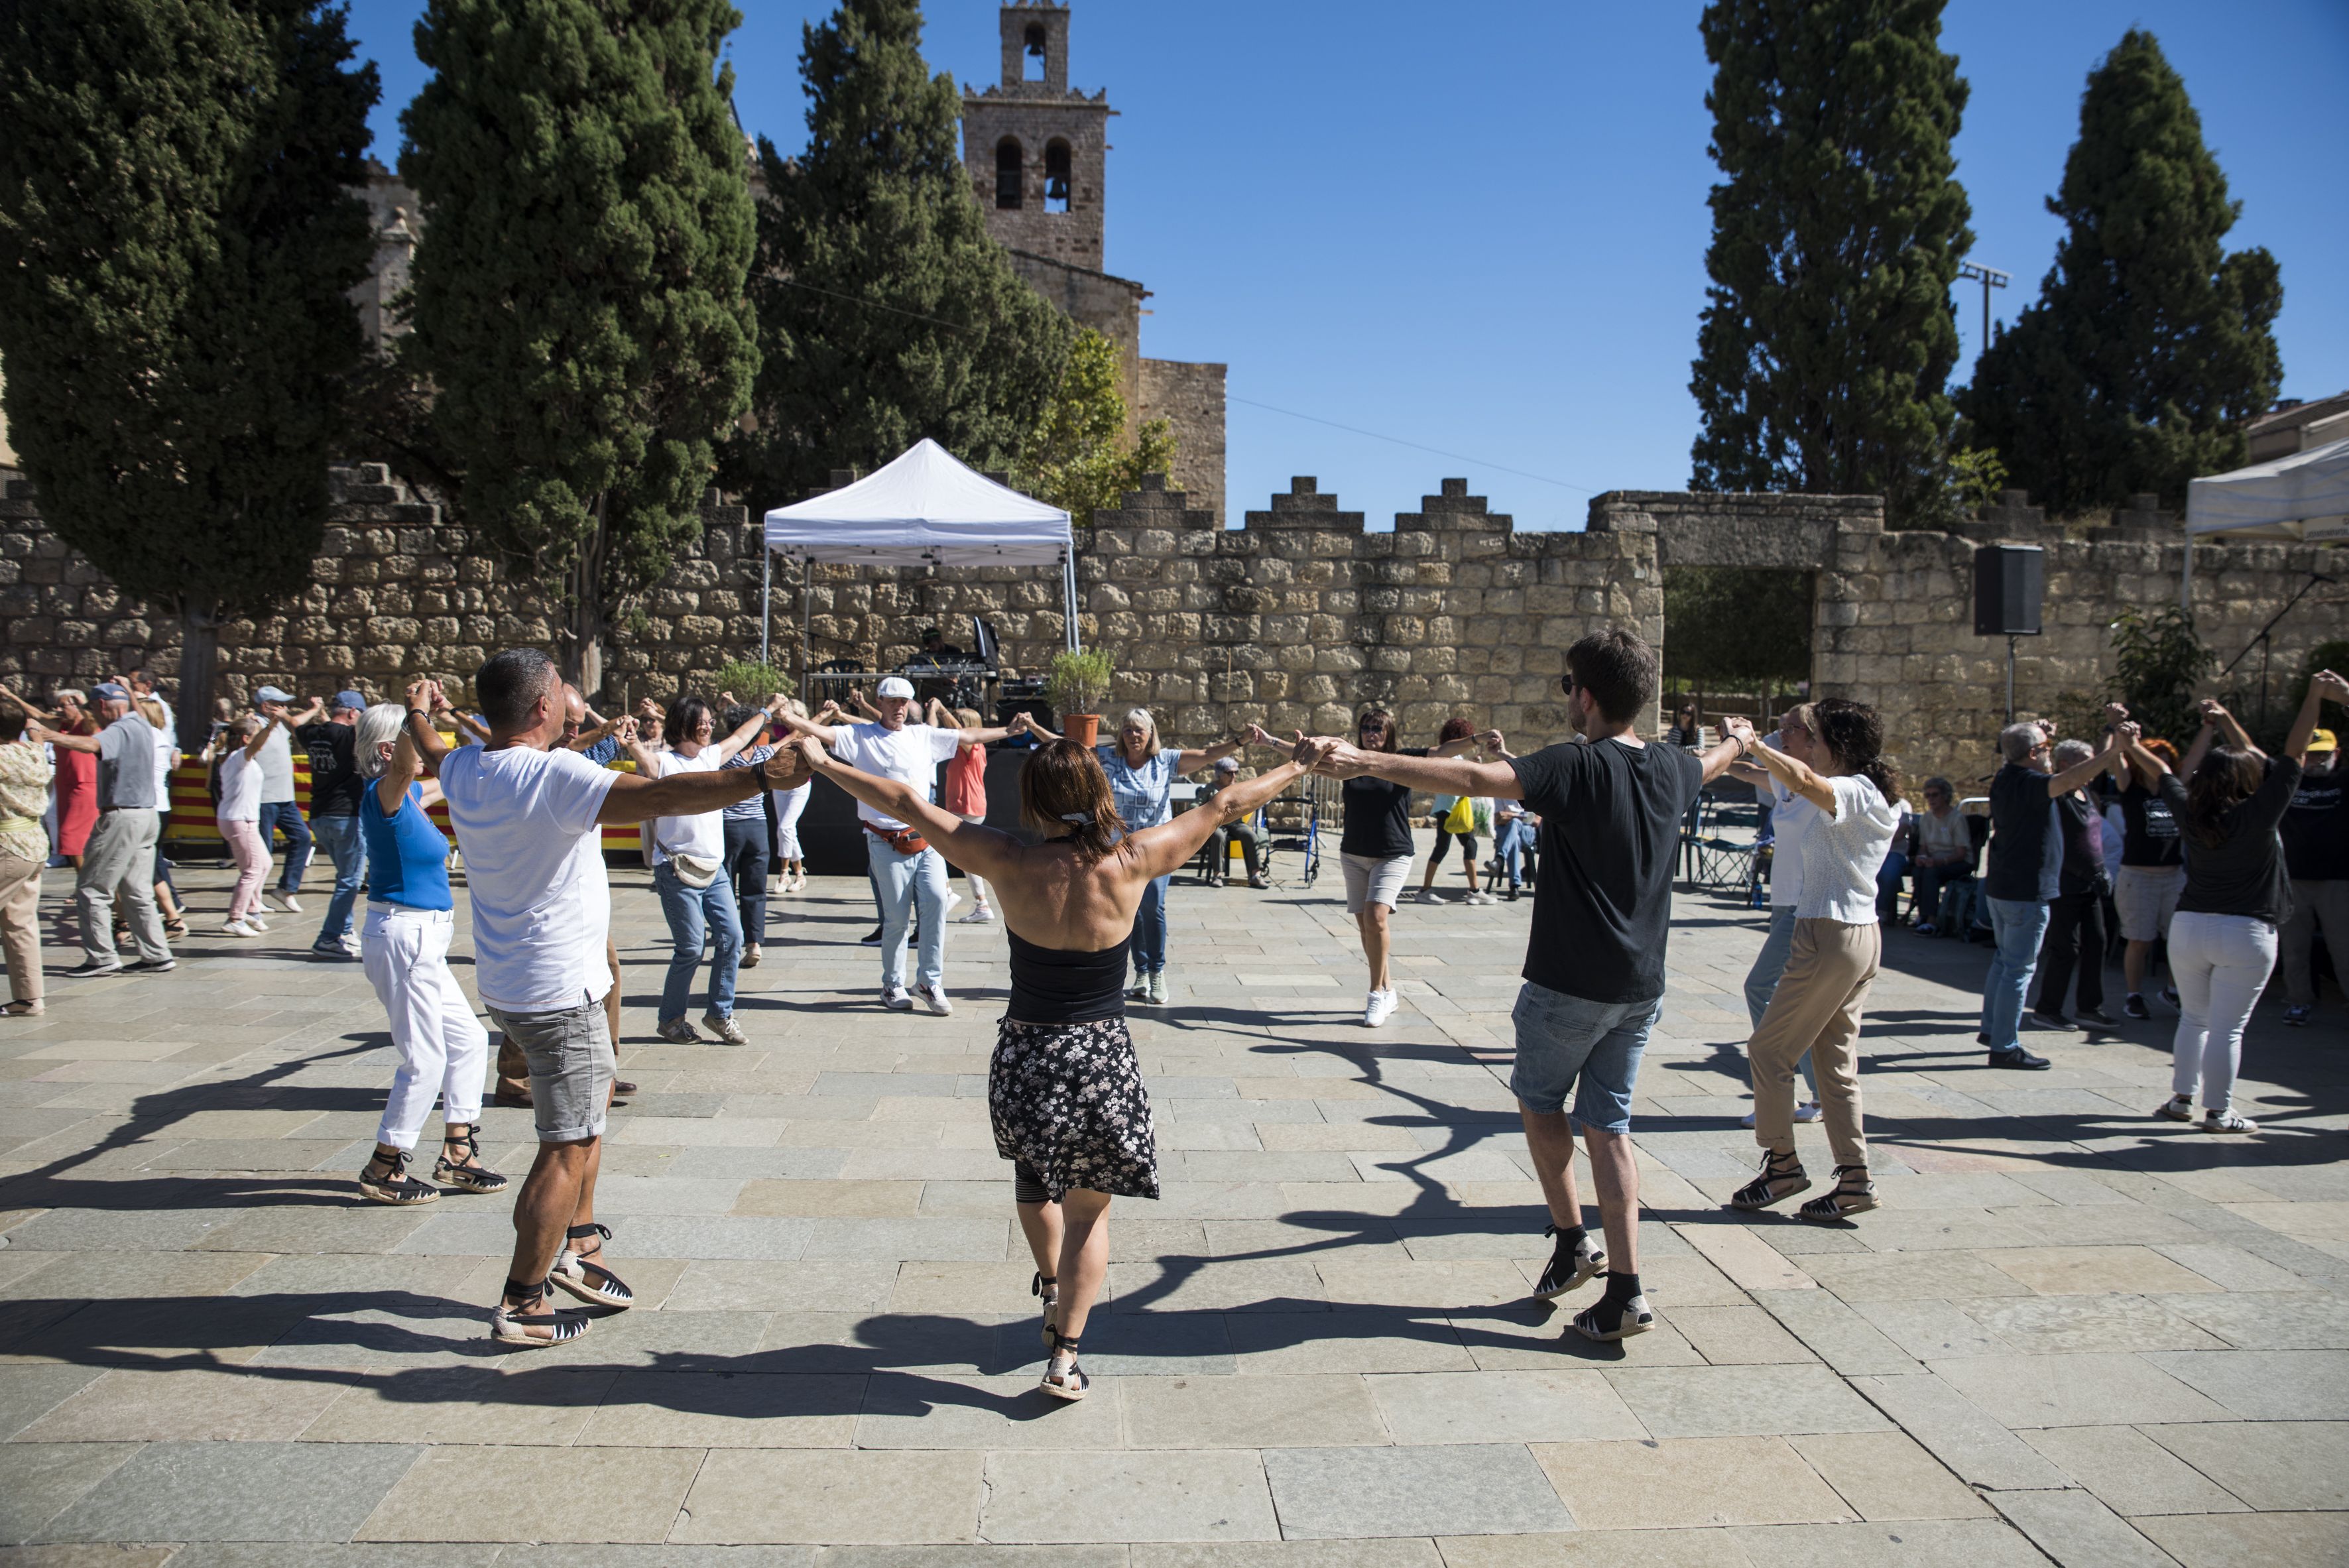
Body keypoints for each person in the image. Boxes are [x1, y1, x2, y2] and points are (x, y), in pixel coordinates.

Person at [788, 728, 1325, 1398]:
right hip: (1099, 1055)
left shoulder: (1003, 858)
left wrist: (822, 760)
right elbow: (1225, 805)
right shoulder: (1132, 860)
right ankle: (1064, 1356)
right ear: (1098, 792)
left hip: (1027, 1050)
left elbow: (903, 800)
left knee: (1035, 1178)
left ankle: (1049, 1284)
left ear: (1034, 800)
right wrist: (1296, 767)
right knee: (1089, 1212)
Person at [1311, 629, 1748, 1342]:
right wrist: (1740, 739)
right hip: (1641, 988)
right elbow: (1716, 761)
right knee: (1610, 1126)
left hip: (1567, 985)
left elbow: (1476, 782)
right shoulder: (1673, 766)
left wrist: (1361, 757)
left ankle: (1573, 1238)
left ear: (1588, 695)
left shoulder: (1576, 766)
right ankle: (1626, 1291)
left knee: (1541, 1102)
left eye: (1567, 684)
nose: (1566, 697)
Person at [414, 652, 810, 1345]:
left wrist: (420, 709)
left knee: (586, 1122)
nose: (575, 704)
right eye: (565, 695)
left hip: (514, 985)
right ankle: (523, 1301)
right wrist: (759, 775)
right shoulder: (555, 775)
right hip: (559, 994)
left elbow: (430, 744)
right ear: (543, 708)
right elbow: (659, 797)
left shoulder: (464, 768)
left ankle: (583, 1245)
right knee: (564, 1147)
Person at [1722, 700, 1903, 1223]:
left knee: (1768, 1050)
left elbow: (1807, 783)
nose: (1798, 743)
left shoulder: (1854, 789)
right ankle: (1853, 1179)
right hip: (1850, 932)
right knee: (1832, 1065)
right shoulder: (1863, 789)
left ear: (1836, 745)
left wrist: (1755, 743)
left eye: (1808, 735)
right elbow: (1794, 779)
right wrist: (1755, 752)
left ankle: (1782, 1164)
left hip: (1830, 933)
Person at [2138, 678, 2344, 1130]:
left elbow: (2160, 772)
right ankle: (2218, 1110)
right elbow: (2293, 751)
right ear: (2247, 779)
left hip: (2189, 926)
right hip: (2245, 930)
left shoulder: (2189, 808)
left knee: (2193, 1018)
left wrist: (2125, 741)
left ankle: (2180, 1098)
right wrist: (2314, 697)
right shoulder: (2259, 811)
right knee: (2227, 1028)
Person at [777, 677, 1022, 1015]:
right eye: (893, 701)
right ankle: (892, 984)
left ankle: (929, 982)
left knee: (937, 902)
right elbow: (826, 735)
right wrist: (789, 718)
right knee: (895, 918)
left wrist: (1008, 732)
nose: (899, 707)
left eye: (905, 701)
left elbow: (968, 736)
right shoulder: (860, 736)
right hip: (885, 840)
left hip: (928, 839)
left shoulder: (922, 735)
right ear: (880, 702)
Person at [350, 694, 507, 1205]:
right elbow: (403, 763)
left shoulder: (413, 793)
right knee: (425, 1058)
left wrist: (435, 716)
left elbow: (455, 770)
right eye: (410, 738)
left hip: (423, 940)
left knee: (467, 1041)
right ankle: (385, 1164)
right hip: (402, 935)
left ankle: (458, 1150)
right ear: (387, 747)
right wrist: (416, 711)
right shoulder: (384, 794)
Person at [1025, 706, 1252, 1006]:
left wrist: (1240, 741)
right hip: (1116, 854)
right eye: (1128, 729)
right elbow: (1066, 750)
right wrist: (1033, 727)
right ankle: (1141, 972)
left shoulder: (1166, 761)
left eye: (1139, 730)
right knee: (1128, 913)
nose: (1133, 735)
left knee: (1152, 909)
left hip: (1157, 852)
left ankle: (1157, 970)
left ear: (1151, 734)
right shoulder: (1108, 759)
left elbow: (1209, 754)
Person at [627, 694, 784, 1045]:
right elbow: (643, 757)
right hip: (675, 868)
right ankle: (670, 1020)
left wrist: (767, 712)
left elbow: (742, 737)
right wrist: (631, 738)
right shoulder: (664, 764)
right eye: (705, 722)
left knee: (733, 938)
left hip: (715, 870)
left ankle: (719, 1014)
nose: (711, 727)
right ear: (684, 724)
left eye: (712, 722)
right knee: (691, 948)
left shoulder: (712, 756)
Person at [1980, 715, 2121, 1071]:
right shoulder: (2030, 782)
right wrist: (2114, 751)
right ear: (2033, 753)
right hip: (2026, 890)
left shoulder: (2006, 777)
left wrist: (2042, 738)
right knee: (2018, 968)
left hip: (2002, 886)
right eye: (2045, 748)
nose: (2049, 753)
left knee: (2004, 961)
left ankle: (1992, 1030)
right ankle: (2004, 1046)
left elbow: (2027, 755)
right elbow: (2072, 777)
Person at [1334, 708, 1482, 1028]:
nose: (1371, 734)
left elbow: (1442, 752)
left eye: (1378, 728)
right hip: (1354, 854)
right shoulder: (1349, 761)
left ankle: (1375, 993)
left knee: (1376, 917)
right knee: (1366, 928)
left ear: (1389, 733)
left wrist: (1475, 740)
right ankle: (1388, 988)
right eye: (1366, 728)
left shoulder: (1402, 760)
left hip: (1393, 853)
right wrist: (1271, 741)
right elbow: (1309, 756)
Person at [1724, 704, 1823, 1125]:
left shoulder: (1821, 782)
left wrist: (1747, 744)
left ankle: (1779, 1091)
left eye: (1791, 729)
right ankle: (1818, 1096)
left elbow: (1787, 772)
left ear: (1815, 737)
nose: (1781, 734)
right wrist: (1718, 757)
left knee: (1761, 988)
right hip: (1784, 899)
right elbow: (1753, 773)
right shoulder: (1785, 780)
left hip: (1807, 903)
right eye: (1781, 727)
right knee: (1799, 1003)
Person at [33, 683, 173, 978]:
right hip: (147, 816)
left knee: (92, 890)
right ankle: (156, 955)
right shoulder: (141, 723)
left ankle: (102, 958)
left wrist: (49, 736)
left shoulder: (120, 728)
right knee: (137, 891)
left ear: (101, 705)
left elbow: (92, 745)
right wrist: (127, 690)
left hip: (122, 816)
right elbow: (130, 706)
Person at [2030, 737, 2117, 1030]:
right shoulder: (2060, 792)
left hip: (2090, 883)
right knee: (2065, 948)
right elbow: (2045, 778)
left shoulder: (2086, 793)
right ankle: (2047, 1008)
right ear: (2066, 765)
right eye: (2086, 760)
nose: (2093, 766)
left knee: (2097, 943)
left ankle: (2090, 1007)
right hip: (2065, 882)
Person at [294, 690, 372, 960]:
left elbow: (297, 725)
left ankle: (345, 930)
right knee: (351, 881)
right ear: (352, 713)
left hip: (319, 815)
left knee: (345, 879)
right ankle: (328, 938)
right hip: (346, 815)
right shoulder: (352, 736)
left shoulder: (312, 734)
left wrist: (317, 712)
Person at [2280, 725, 2347, 1026]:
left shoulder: (2344, 781)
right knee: (2294, 947)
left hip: (2337, 880)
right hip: (2294, 879)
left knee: (2343, 947)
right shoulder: (2287, 782)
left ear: (2337, 754)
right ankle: (2298, 1001)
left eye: (2324, 754)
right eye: (2313, 755)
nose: (2318, 760)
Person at [121, 670, 187, 937]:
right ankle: (167, 915)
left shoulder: (150, 737)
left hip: (149, 808)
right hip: (157, 807)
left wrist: (127, 692)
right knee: (147, 862)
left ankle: (169, 916)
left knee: (142, 864)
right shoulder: (159, 739)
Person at [715, 703, 780, 969]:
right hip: (757, 828)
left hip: (728, 826)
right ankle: (754, 943)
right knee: (755, 889)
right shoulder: (764, 754)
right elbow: (790, 738)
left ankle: (727, 942)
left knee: (725, 888)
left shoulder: (722, 756)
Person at [247, 686, 320, 914]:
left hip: (284, 799)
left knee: (302, 839)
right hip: (262, 800)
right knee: (262, 852)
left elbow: (296, 720)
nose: (285, 708)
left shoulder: (281, 726)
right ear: (265, 706)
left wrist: (315, 709)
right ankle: (252, 899)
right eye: (280, 704)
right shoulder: (254, 725)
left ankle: (286, 890)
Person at [6, 688, 97, 867]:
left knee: (71, 838)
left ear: (78, 705)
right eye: (58, 706)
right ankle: (87, 886)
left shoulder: (88, 725)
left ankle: (86, 887)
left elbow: (90, 722)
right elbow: (37, 715)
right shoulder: (62, 725)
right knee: (71, 840)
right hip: (65, 786)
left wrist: (84, 706)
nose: (60, 710)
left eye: (65, 706)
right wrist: (10, 696)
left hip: (84, 785)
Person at [0, 707, 52, 1016]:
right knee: (20, 924)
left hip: (6, 845)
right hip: (33, 845)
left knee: (20, 923)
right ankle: (29, 997)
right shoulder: (34, 753)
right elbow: (35, 732)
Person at [208, 715, 276, 935]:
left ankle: (253, 910)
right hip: (240, 820)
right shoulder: (240, 757)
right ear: (246, 739)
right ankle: (235, 918)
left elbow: (256, 744)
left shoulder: (235, 758)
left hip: (241, 819)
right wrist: (272, 726)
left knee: (264, 864)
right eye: (256, 734)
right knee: (252, 870)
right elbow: (258, 744)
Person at [1417, 717, 1496, 905]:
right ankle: (1472, 891)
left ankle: (1431, 889)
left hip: (1449, 807)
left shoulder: (1452, 754)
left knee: (1450, 847)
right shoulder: (1451, 754)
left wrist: (1472, 764)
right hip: (1450, 808)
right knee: (1462, 845)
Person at [937, 701, 999, 921]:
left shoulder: (972, 746)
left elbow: (961, 733)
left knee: (935, 848)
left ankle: (950, 894)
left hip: (966, 807)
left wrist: (942, 711)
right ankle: (980, 903)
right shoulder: (962, 748)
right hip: (966, 807)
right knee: (962, 855)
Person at [1907, 778, 1972, 935]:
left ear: (1945, 796)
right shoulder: (1926, 818)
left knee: (1931, 873)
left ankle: (1932, 920)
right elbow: (1924, 846)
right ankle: (1922, 915)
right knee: (1918, 871)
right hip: (1934, 860)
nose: (1931, 799)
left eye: (1935, 795)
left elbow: (1961, 853)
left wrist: (1938, 861)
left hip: (1956, 861)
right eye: (1927, 796)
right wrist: (1921, 857)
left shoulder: (1956, 818)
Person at [1200, 755, 1269, 888]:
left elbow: (1251, 800)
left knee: (1251, 836)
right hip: (1217, 824)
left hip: (1236, 823)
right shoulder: (1210, 788)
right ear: (1220, 774)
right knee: (1218, 836)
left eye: (1235, 772)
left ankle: (1256, 875)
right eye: (1229, 773)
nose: (1233, 776)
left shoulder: (1237, 788)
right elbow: (1196, 804)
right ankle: (1217, 875)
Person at [770, 700, 813, 894]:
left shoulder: (807, 733)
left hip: (800, 785)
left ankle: (784, 873)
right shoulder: (781, 731)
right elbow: (758, 723)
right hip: (780, 784)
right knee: (787, 830)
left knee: (785, 827)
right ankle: (800, 874)